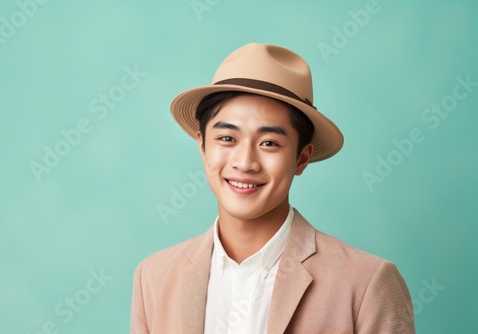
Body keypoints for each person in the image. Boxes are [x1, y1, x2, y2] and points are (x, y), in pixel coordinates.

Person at [130, 43, 415, 334]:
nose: (245, 162)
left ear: (302, 157)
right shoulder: (153, 277)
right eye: (227, 138)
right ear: (202, 145)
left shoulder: (365, 283)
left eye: (269, 143)